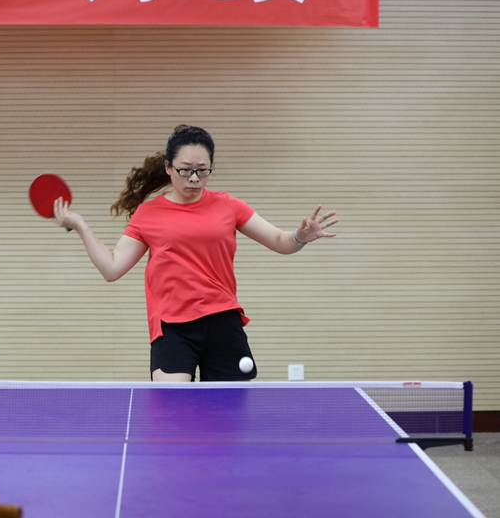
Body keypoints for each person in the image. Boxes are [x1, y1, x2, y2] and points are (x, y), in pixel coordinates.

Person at [52, 125, 338, 383]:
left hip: (223, 321)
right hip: (173, 327)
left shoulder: (228, 206)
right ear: (168, 167)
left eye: (202, 170)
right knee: (173, 411)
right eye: (185, 170)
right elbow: (112, 268)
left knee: (229, 414)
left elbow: (278, 240)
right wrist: (80, 225)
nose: (194, 178)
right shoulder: (148, 214)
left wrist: (299, 237)